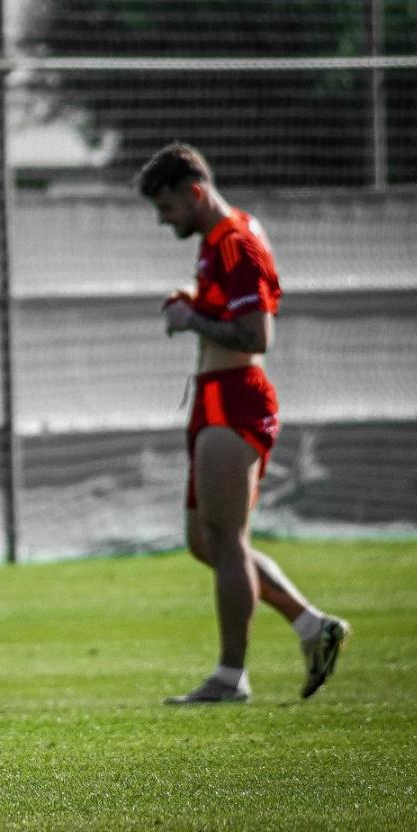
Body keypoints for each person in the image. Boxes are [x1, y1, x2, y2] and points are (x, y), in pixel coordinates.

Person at [135, 142, 350, 704]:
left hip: (236, 397)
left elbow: (257, 337)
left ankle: (231, 677)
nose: (163, 219)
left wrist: (191, 317)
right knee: (204, 541)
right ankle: (310, 625)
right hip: (212, 399)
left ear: (195, 193)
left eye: (167, 207)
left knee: (227, 540)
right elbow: (224, 311)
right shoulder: (217, 242)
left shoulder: (238, 242)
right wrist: (195, 300)